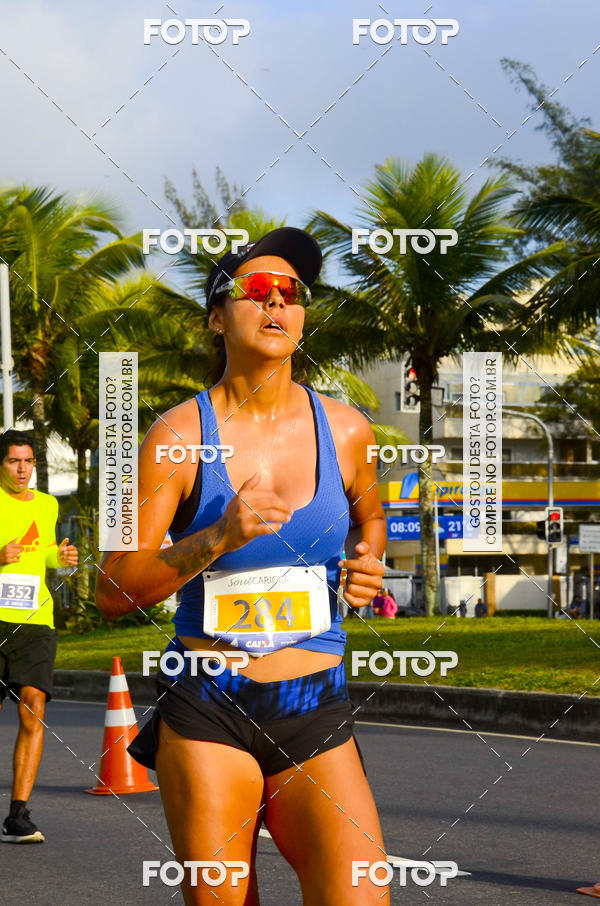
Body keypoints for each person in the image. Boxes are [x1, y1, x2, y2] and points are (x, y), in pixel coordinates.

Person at [96, 228, 389, 905]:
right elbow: (113, 587)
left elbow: (371, 519)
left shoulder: (347, 430)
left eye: (292, 293)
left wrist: (369, 560)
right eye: (257, 290)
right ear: (216, 315)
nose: (277, 303)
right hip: (208, 708)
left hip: (316, 704)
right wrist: (216, 537)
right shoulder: (176, 436)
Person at [0, 429, 78, 844]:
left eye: (28, 461)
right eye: (14, 461)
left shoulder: (47, 505)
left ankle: (18, 815)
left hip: (34, 619)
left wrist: (59, 557)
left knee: (33, 707)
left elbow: (42, 550)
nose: (22, 469)